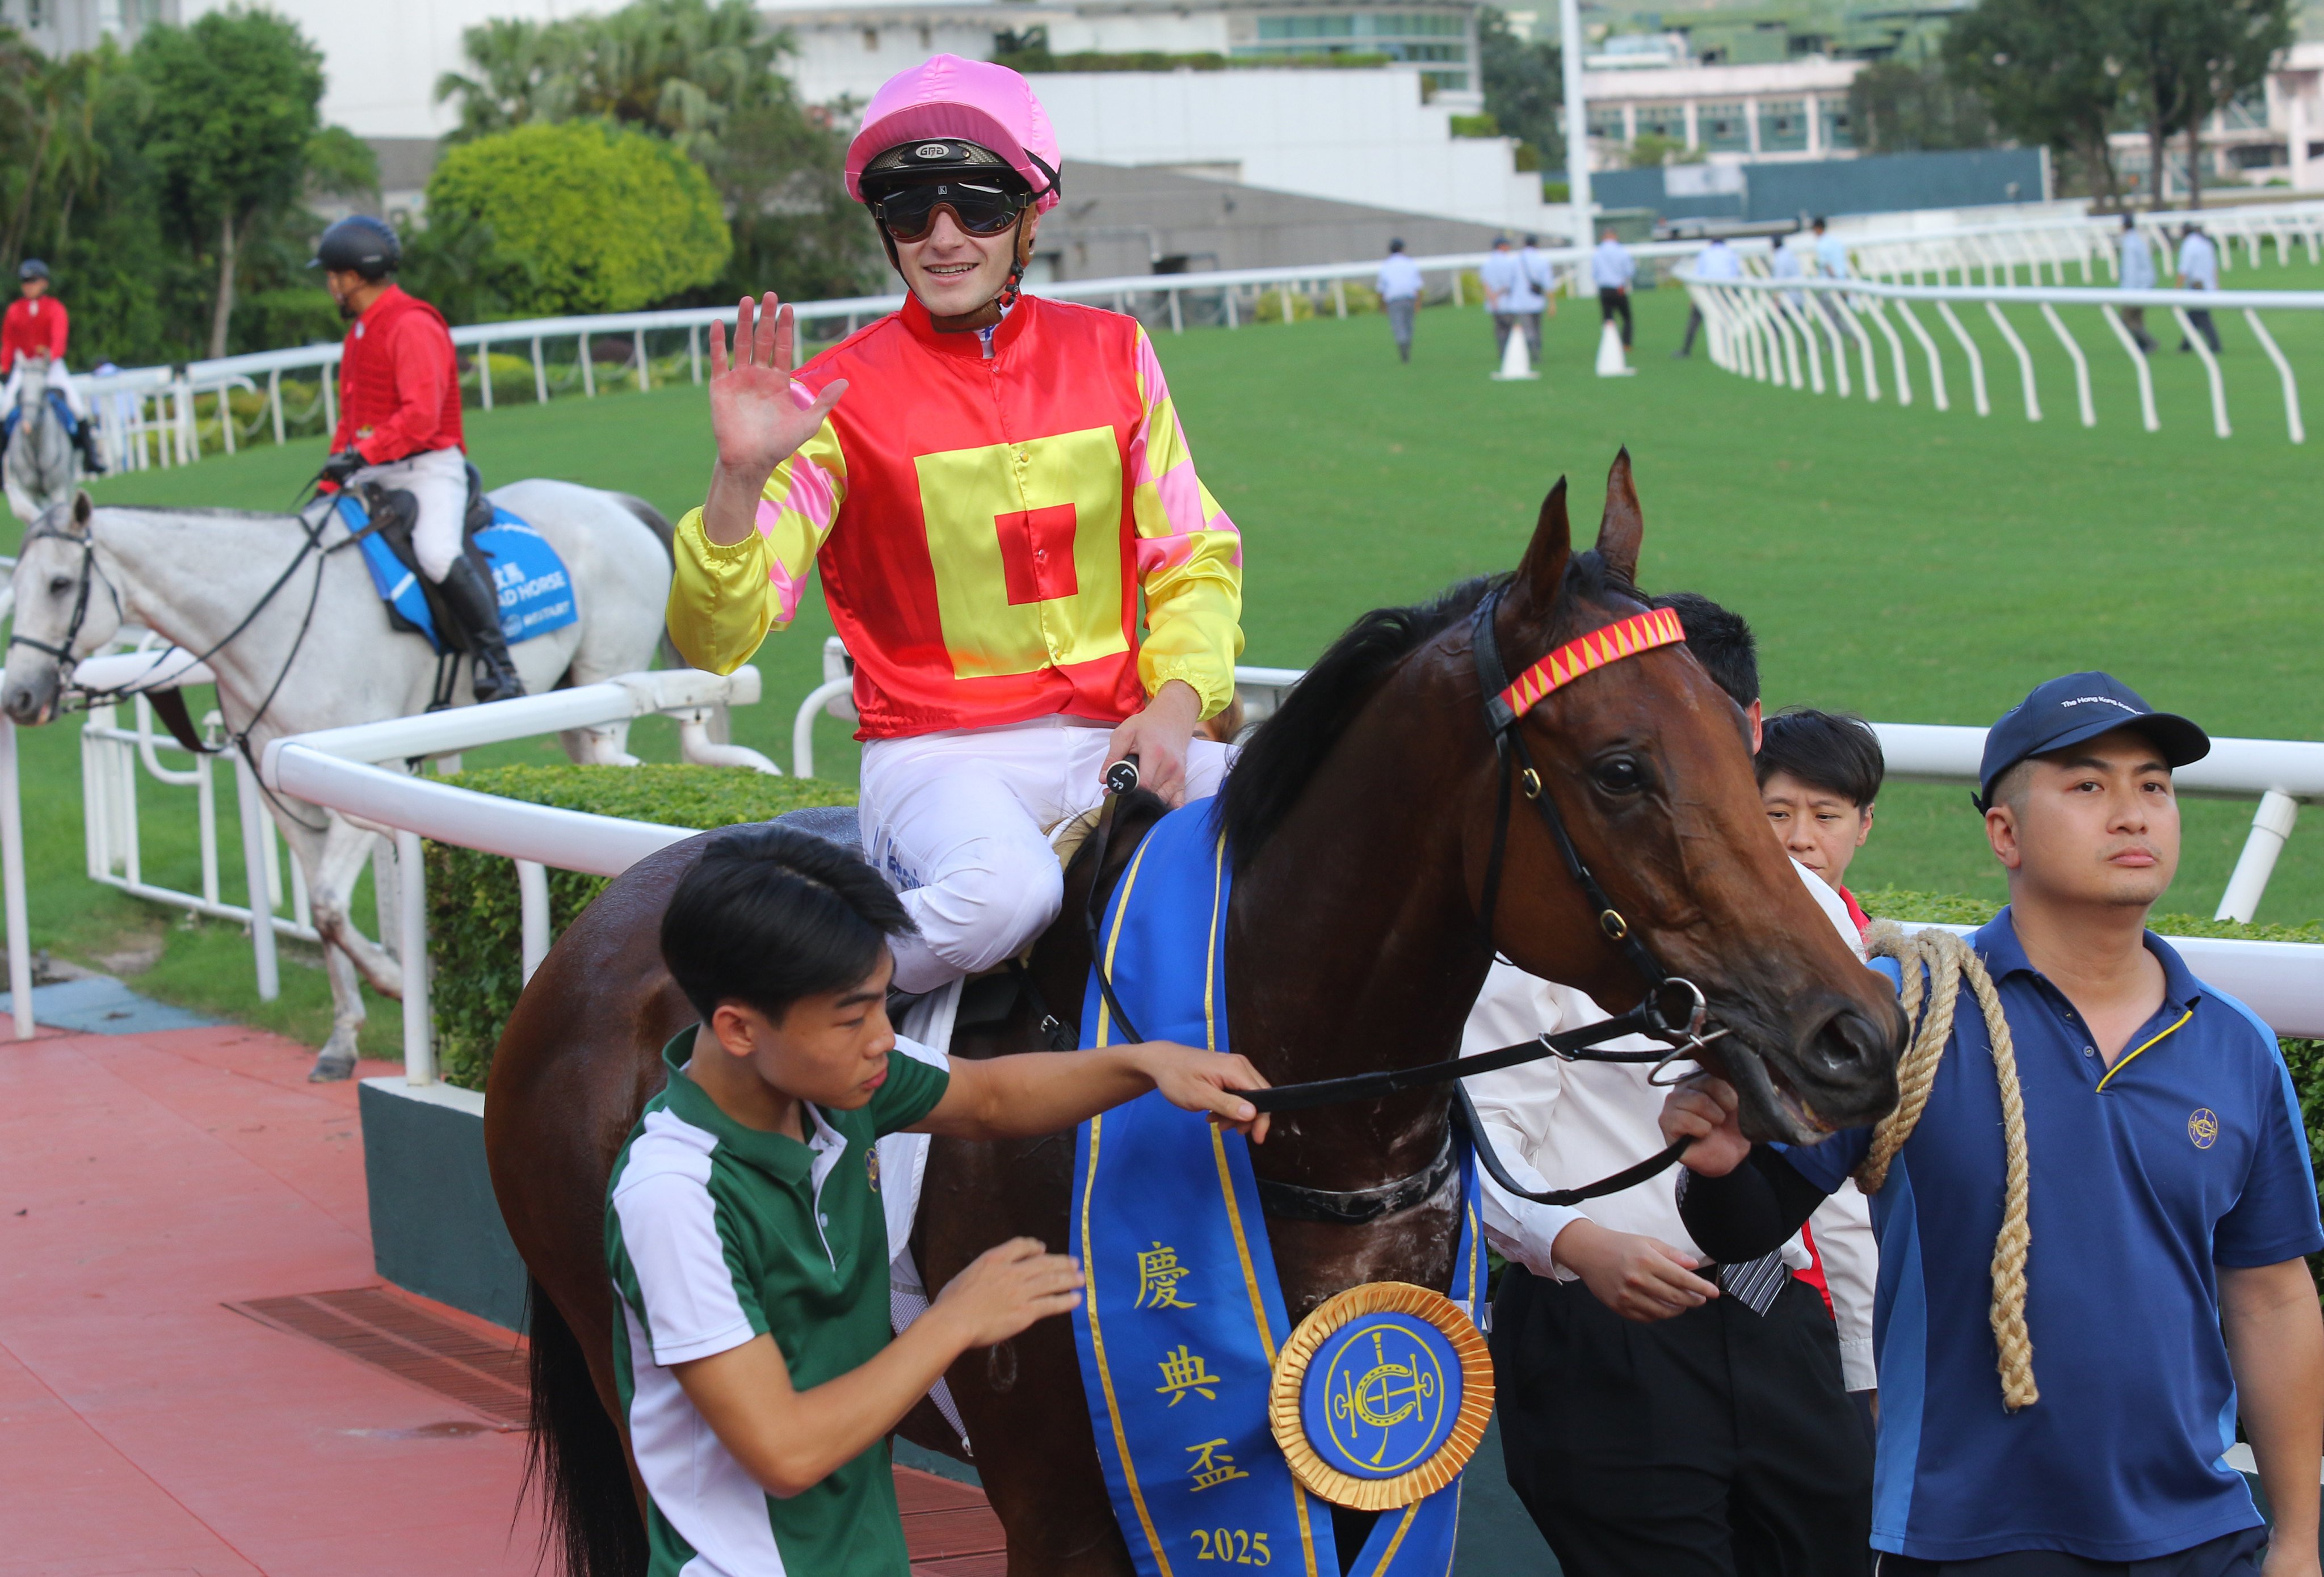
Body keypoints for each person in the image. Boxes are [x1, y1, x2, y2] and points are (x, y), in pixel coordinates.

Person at [1665, 671, 2324, 1576]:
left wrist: (2295, 1539)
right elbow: (1745, 1221)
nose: (2131, 813)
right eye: (2086, 785)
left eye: (2152, 785)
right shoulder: (1902, 1009)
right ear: (2003, 832)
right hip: (1963, 1534)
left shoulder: (2233, 1042)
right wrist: (1715, 1165)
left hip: (2200, 1537)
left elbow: (2270, 1295)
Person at [665, 56, 1243, 995]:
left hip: (1114, 735)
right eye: (909, 210)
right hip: (934, 756)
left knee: (1328, 819)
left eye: (976, 205)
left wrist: (1176, 704)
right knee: (1007, 897)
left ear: (1030, 215)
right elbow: (714, 639)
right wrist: (737, 479)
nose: (942, 237)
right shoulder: (827, 401)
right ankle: (797, 1015)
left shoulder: (1118, 353)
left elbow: (1192, 557)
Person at [610, 823, 1270, 1577]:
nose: (882, 1038)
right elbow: (785, 1451)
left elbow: (988, 1096)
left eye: (882, 1003)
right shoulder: (674, 1198)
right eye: (852, 1016)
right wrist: (954, 1318)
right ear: (738, 1028)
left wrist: (1145, 1064)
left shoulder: (831, 1078)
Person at [1469, 591, 1878, 1577]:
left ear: (1746, 727)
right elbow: (1478, 1143)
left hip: (1782, 1318)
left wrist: (1861, 1362)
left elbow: (1830, 1164)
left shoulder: (1816, 906)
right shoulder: (1546, 902)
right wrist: (1578, 1244)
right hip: (1599, 1321)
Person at [310, 215, 524, 703]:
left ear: (351, 278)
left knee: (435, 553)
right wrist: (328, 483)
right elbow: (353, 420)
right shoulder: (361, 330)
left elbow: (421, 418)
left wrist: (361, 454)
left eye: (331, 276)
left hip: (428, 467)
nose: (329, 286)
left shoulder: (411, 324)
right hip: (375, 467)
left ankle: (499, 665)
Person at [1758, 708, 1882, 940]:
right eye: (1778, 814)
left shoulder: (1883, 955)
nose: (1800, 840)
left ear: (1864, 824)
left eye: (1824, 816)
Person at [0, 259, 104, 476]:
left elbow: (59, 339)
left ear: (44, 283)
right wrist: (4, 365)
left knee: (77, 407)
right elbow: (8, 343)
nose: (29, 286)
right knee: (5, 409)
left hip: (51, 367)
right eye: (25, 281)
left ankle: (90, 457)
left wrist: (51, 355)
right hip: (25, 368)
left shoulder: (55, 308)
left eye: (33, 281)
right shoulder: (14, 311)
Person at [1674, 233, 1740, 358]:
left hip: (1707, 289)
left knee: (1695, 319)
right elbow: (1735, 273)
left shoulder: (1705, 253)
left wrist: (1695, 298)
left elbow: (1700, 275)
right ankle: (1729, 351)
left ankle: (1686, 350)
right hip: (1725, 290)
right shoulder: (1731, 253)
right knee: (1726, 321)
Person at [1482, 235, 1545, 363]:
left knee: (1499, 328)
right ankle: (1521, 351)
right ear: (1502, 246)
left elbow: (1485, 283)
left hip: (1493, 302)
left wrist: (1492, 297)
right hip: (1507, 300)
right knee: (1510, 328)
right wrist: (1499, 293)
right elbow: (1510, 283)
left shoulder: (1487, 263)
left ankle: (1502, 351)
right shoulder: (1509, 262)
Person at [2116, 213, 2158, 354]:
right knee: (2137, 318)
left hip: (2136, 287)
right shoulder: (2138, 239)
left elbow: (2131, 269)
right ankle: (2142, 346)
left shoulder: (2129, 243)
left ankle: (2149, 342)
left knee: (2127, 319)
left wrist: (2127, 292)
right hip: (2145, 284)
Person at [2178, 224, 2222, 355]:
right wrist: (2216, 285)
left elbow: (2184, 269)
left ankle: (2215, 345)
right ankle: (2186, 345)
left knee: (2201, 317)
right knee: (2194, 318)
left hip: (2197, 285)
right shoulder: (2206, 243)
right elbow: (2214, 266)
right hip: (2207, 285)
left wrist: (2177, 289)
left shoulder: (2188, 245)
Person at [1378, 237, 1423, 363]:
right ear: (1403, 249)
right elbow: (1418, 285)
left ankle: (1403, 346)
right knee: (1409, 325)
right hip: (1409, 298)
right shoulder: (1410, 263)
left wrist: (1382, 305)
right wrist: (1418, 302)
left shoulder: (1386, 266)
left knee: (1398, 326)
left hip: (1393, 300)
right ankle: (1407, 345)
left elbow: (1381, 288)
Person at [1591, 227, 1635, 349]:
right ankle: (1626, 344)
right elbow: (1629, 271)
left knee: (1608, 319)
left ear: (1603, 237)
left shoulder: (1598, 253)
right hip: (1619, 288)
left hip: (1604, 289)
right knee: (1626, 318)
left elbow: (1594, 274)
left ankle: (1609, 344)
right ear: (1615, 236)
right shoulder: (1622, 251)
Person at [1519, 233, 1558, 318]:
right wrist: (1552, 304)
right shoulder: (1542, 260)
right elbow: (1548, 284)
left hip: (1519, 303)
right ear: (1537, 245)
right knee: (1535, 325)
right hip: (1536, 300)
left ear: (1524, 244)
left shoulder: (1517, 260)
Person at [1771, 229, 1806, 309]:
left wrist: (1775, 298)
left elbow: (1778, 280)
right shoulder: (1790, 254)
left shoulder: (1779, 258)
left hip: (1788, 298)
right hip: (1798, 294)